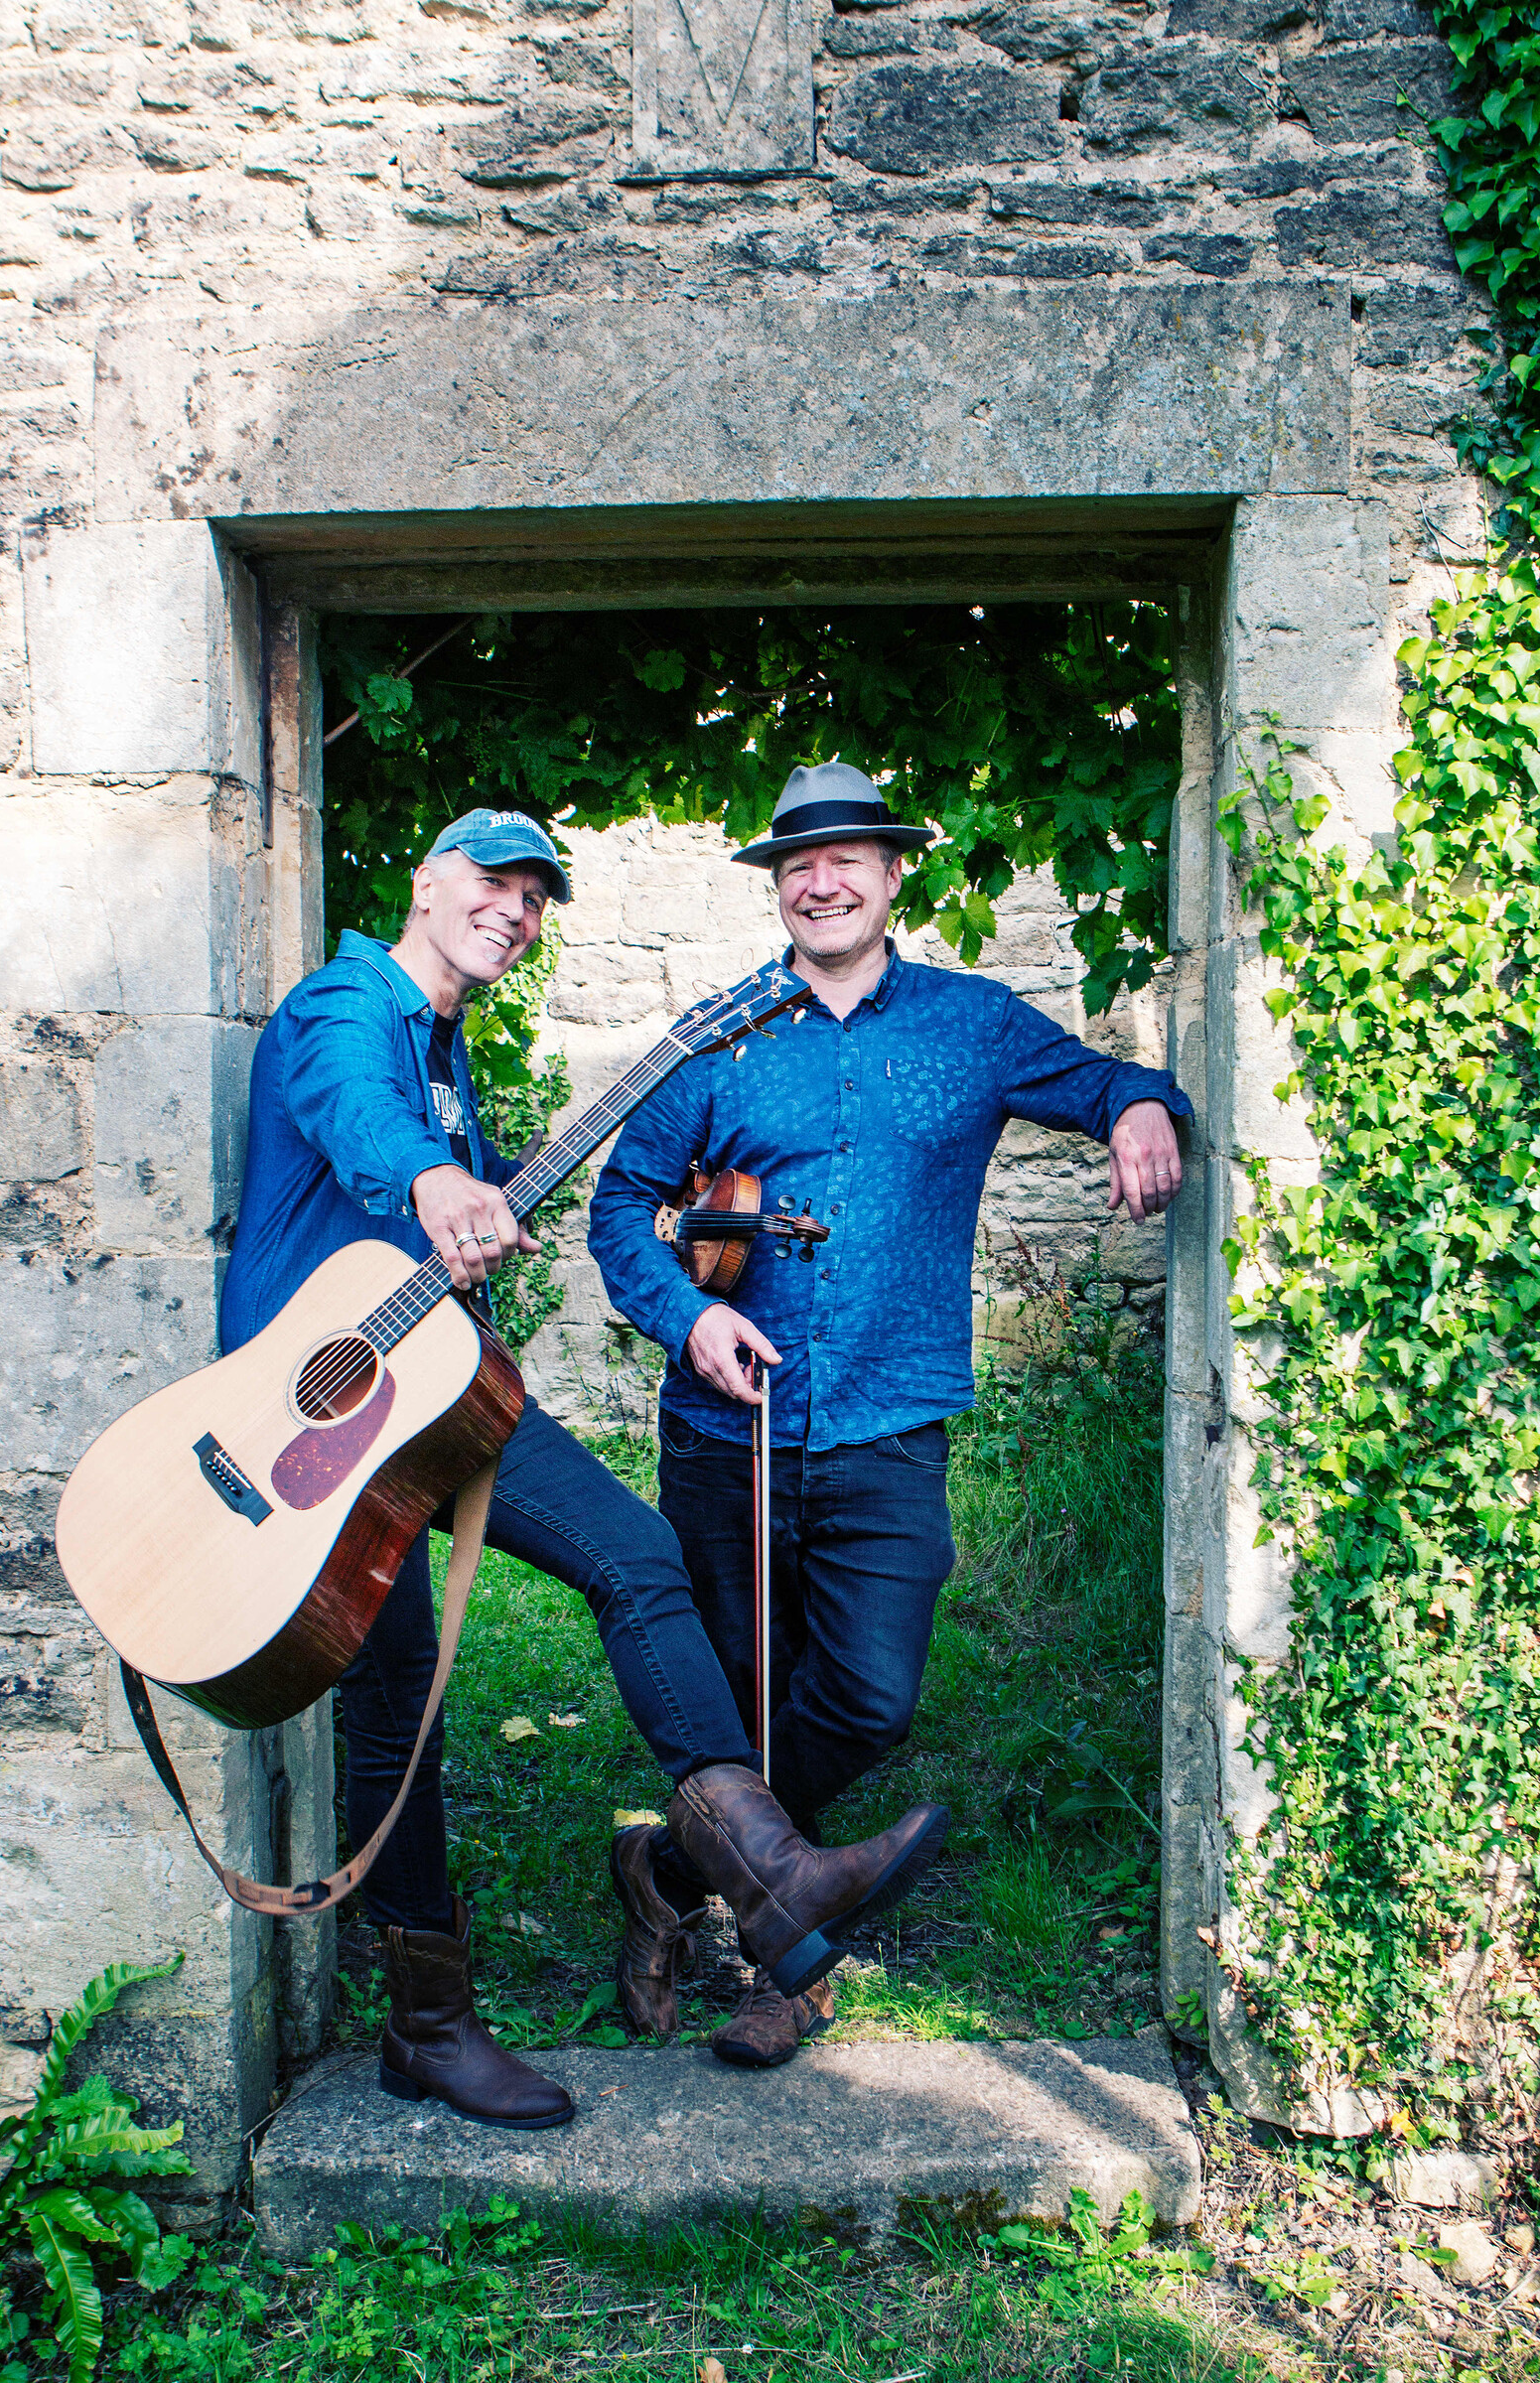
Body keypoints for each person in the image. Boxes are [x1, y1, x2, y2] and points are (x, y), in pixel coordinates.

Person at [218, 806, 948, 2130]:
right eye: (492, 882)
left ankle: (766, 1872)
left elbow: (452, 1184)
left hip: (429, 1398)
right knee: (397, 1718)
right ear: (428, 882)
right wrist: (436, 1186)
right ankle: (428, 2028)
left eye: (538, 896)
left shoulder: (445, 1045)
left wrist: (491, 1199)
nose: (515, 907)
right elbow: (352, 1114)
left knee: (635, 1555)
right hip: (308, 1432)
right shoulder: (348, 1005)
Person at [588, 763, 1193, 2069]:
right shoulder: (724, 1036)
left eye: (848, 856)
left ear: (893, 872)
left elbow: (1099, 1085)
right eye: (798, 863)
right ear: (778, 886)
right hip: (724, 1433)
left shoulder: (973, 1026)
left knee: (868, 1693)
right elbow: (618, 1204)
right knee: (739, 1701)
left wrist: (1147, 1103)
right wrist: (686, 1317)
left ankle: (671, 1870)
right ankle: (784, 1967)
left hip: (886, 1423)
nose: (822, 879)